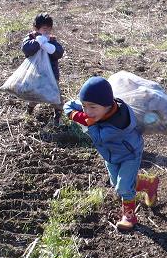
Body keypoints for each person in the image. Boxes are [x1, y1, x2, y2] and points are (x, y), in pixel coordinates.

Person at [63, 76, 160, 231]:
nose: (87, 111)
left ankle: (129, 217)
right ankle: (148, 184)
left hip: (129, 154)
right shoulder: (98, 110)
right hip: (110, 156)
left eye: (92, 107)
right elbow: (68, 105)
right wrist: (76, 114)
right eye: (84, 106)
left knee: (124, 188)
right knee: (117, 184)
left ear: (107, 105)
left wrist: (86, 121)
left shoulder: (119, 122)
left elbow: (98, 137)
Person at [21, 13, 64, 126]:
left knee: (55, 96)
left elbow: (59, 53)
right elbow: (26, 49)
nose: (47, 32)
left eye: (49, 29)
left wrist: (51, 48)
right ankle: (29, 111)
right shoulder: (31, 38)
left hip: (52, 75)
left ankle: (57, 117)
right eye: (44, 29)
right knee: (34, 95)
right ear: (36, 29)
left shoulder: (52, 40)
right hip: (36, 74)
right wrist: (38, 42)